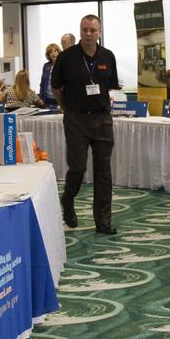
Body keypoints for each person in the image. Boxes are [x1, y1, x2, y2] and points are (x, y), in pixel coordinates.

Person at [51, 14, 120, 234]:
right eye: (84, 30)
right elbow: (56, 88)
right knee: (78, 167)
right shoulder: (66, 57)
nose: (88, 34)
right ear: (80, 31)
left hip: (101, 120)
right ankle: (68, 199)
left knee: (103, 172)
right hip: (76, 119)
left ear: (99, 32)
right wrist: (66, 108)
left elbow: (110, 86)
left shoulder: (108, 56)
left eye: (92, 30)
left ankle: (103, 221)